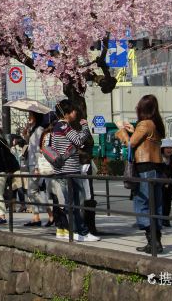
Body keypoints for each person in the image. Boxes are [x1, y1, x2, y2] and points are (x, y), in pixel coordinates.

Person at [115, 94, 165, 254]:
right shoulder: (156, 124)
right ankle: (156, 242)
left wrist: (121, 132)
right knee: (156, 205)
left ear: (142, 109)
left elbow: (131, 144)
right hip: (157, 168)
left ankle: (153, 241)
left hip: (145, 169)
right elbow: (145, 139)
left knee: (142, 204)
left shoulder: (145, 123)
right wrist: (133, 129)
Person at [49, 101, 98, 242]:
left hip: (61, 170)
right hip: (69, 170)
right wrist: (84, 127)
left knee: (70, 203)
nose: (75, 113)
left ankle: (77, 231)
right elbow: (78, 140)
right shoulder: (64, 126)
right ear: (67, 113)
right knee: (74, 203)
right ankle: (80, 232)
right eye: (73, 111)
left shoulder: (56, 127)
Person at [23, 112, 53, 227]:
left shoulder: (39, 130)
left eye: (31, 115)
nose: (28, 117)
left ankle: (50, 214)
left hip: (36, 165)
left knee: (32, 191)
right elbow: (30, 146)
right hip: (32, 164)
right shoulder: (34, 130)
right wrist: (26, 134)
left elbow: (39, 149)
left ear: (36, 117)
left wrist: (36, 167)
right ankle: (36, 217)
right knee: (33, 191)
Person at [159, 138, 172, 227]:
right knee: (159, 200)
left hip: (169, 183)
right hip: (160, 183)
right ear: (162, 149)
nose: (169, 150)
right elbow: (158, 171)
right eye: (167, 148)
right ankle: (160, 218)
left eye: (171, 148)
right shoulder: (158, 157)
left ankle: (166, 219)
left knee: (168, 201)